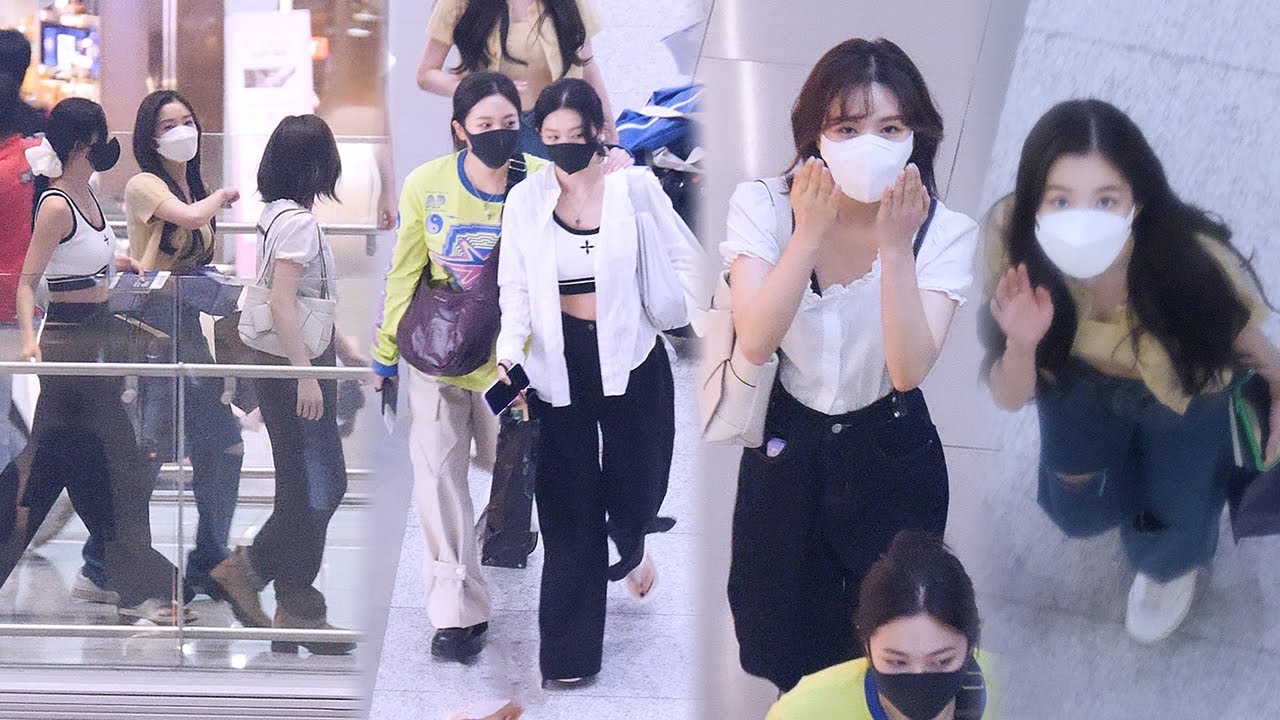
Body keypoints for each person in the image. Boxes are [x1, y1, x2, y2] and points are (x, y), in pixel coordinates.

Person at [722, 38, 978, 692]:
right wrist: (808, 233)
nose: (870, 144)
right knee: (779, 618)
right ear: (815, 135)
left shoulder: (943, 231)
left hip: (888, 445)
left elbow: (908, 369)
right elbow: (755, 340)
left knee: (891, 627)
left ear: (916, 136)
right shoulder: (763, 204)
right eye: (846, 128)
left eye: (890, 128)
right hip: (789, 442)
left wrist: (896, 249)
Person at [980, 99, 1280, 643]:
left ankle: (1168, 564)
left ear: (1136, 202)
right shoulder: (1012, 242)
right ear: (1033, 202)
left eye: (1105, 200)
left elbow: (1240, 336)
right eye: (1061, 199)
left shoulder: (1191, 259)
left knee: (1179, 505)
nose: (1082, 219)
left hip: (1184, 394)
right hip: (1074, 383)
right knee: (1078, 509)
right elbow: (1008, 395)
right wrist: (1023, 343)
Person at [495, 77, 701, 684]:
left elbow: (685, 258)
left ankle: (631, 542)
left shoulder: (633, 188)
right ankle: (568, 658)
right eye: (550, 136)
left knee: (637, 487)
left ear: (596, 134)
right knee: (567, 511)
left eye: (573, 135)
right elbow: (514, 286)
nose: (562, 146)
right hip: (556, 364)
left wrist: (698, 314)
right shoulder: (525, 200)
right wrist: (509, 353)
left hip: (631, 357)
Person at [371, 71, 549, 665]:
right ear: (460, 130)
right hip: (440, 353)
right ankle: (457, 611)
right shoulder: (428, 183)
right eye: (485, 125)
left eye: (509, 123)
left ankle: (514, 533)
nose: (499, 133)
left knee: (516, 467)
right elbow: (405, 269)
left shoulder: (541, 181)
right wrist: (385, 351)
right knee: (439, 478)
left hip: (512, 364)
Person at [0, 98, 187, 624]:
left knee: (60, 474)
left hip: (96, 341)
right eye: (102, 135)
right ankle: (145, 589)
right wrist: (30, 342)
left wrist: (116, 263)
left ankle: (140, 587)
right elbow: (29, 281)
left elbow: (85, 258)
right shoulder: (57, 205)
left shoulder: (90, 195)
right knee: (106, 469)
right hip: (69, 346)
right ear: (85, 143)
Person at [72, 90, 246, 606]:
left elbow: (195, 250)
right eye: (169, 125)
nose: (182, 131)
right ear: (150, 137)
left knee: (223, 444)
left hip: (187, 327)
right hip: (151, 333)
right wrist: (221, 197)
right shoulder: (145, 184)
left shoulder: (194, 184)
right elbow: (189, 220)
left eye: (187, 120)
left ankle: (208, 558)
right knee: (145, 454)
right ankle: (101, 563)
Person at [209, 114, 354, 655]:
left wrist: (342, 350)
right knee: (324, 485)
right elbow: (281, 302)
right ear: (316, 165)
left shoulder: (276, 215)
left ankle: (298, 609)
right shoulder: (298, 224)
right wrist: (306, 375)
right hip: (295, 367)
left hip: (287, 363)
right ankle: (248, 571)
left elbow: (302, 298)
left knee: (302, 487)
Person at [767, 531, 1000, 720]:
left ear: (970, 645)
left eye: (942, 661)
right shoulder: (804, 712)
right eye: (897, 662)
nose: (919, 684)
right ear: (867, 646)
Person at [417, 0, 618, 156]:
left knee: (558, 195)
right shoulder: (460, 3)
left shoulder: (571, 3)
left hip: (560, 128)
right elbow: (426, 74)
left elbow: (586, 65)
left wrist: (609, 130)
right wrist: (486, 90)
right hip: (490, 128)